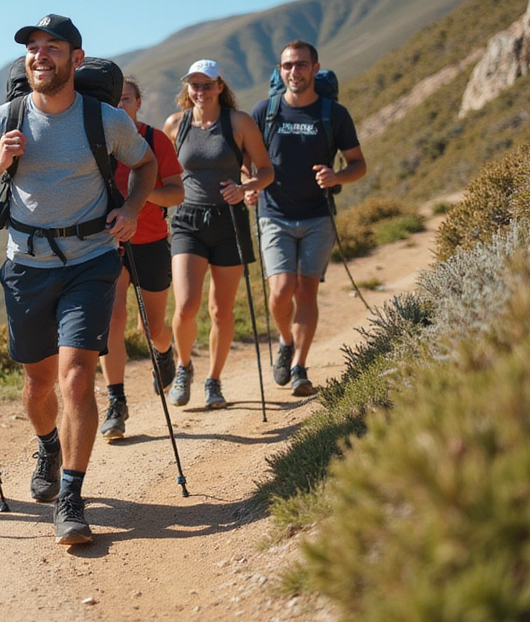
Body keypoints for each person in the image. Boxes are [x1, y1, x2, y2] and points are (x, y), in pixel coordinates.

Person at [0, 14, 157, 545]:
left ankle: (71, 494)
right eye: (33, 48)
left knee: (74, 379)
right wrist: (0, 161)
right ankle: (47, 442)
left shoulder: (106, 120)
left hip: (91, 261)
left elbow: (146, 164)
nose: (40, 56)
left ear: (76, 59)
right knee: (38, 384)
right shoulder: (4, 119)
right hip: (26, 265)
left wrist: (133, 209)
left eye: (53, 47)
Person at [248, 41, 366, 396]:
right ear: (279, 70)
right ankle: (286, 342)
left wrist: (337, 177)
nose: (294, 72)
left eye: (301, 65)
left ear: (316, 68)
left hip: (317, 216)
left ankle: (299, 366)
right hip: (274, 213)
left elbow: (358, 164)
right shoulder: (264, 111)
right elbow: (244, 159)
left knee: (306, 291)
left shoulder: (333, 114)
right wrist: (247, 183)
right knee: (281, 290)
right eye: (287, 66)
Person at [163, 60, 275, 409]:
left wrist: (246, 188)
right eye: (194, 85)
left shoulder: (239, 122)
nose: (200, 91)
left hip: (230, 222)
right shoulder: (175, 124)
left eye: (207, 85)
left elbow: (267, 170)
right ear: (188, 88)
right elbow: (162, 170)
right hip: (187, 221)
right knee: (185, 305)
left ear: (220, 86)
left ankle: (214, 380)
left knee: (221, 311)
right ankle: (184, 368)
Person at [99, 76, 184, 440]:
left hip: (150, 241)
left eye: (126, 99)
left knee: (153, 328)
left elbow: (177, 193)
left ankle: (166, 353)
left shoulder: (154, 140)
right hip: (110, 243)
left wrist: (140, 197)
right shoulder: (98, 143)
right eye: (113, 101)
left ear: (138, 103)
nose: (119, 107)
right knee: (112, 321)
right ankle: (116, 402)